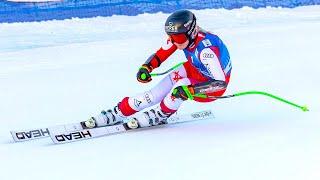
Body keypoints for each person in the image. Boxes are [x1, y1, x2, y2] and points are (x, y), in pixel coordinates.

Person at [83, 9, 232, 128]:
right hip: (195, 68)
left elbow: (220, 83)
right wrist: (146, 67)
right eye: (171, 37)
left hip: (211, 87)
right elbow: (162, 53)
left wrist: (191, 91)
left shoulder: (206, 52)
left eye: (178, 39)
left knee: (180, 87)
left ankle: (161, 113)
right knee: (154, 95)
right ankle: (120, 112)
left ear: (191, 32)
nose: (175, 42)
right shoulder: (183, 37)